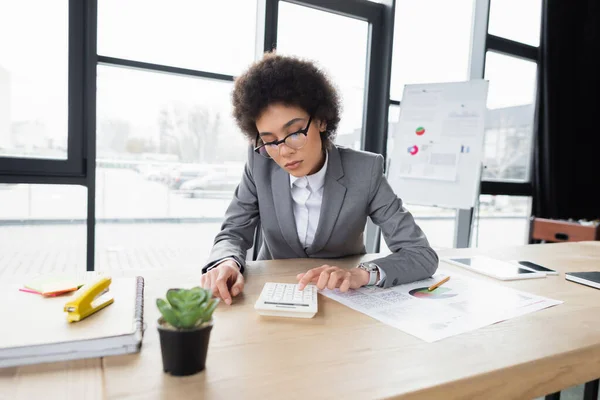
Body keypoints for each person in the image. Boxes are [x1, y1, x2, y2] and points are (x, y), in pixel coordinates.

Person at [200, 52, 438, 305]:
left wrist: (362, 274)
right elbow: (233, 232)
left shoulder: (365, 170)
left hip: (344, 296)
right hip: (273, 293)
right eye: (269, 141)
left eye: (293, 133)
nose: (284, 151)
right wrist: (227, 261)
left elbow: (421, 254)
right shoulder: (260, 163)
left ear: (322, 120)